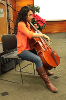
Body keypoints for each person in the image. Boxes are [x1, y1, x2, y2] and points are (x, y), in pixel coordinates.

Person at [14, 6, 58, 93]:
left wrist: (36, 29)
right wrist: (43, 35)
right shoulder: (21, 24)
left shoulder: (27, 23)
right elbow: (30, 34)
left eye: (32, 15)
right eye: (30, 15)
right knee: (38, 59)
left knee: (42, 55)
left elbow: (32, 33)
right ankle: (48, 83)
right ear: (24, 15)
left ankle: (45, 70)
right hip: (22, 50)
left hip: (29, 48)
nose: (31, 17)